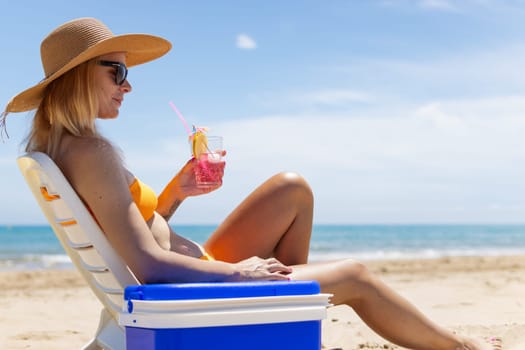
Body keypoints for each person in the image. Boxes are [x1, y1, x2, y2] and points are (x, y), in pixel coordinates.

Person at [1, 18, 495, 350]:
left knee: (291, 188)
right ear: (79, 78)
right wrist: (243, 276)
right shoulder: (94, 152)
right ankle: (458, 347)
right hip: (188, 287)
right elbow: (146, 265)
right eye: (118, 72)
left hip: (193, 269)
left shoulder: (66, 147)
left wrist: (173, 194)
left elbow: (130, 236)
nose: (128, 85)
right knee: (356, 276)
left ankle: (282, 320)